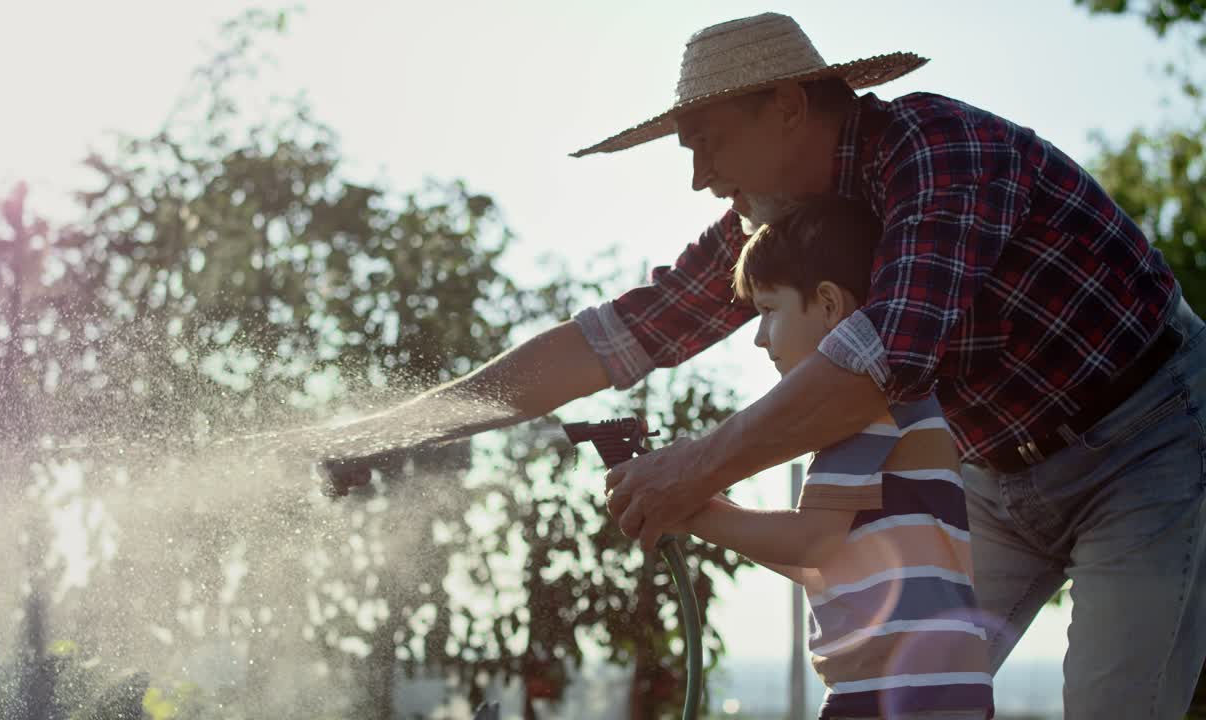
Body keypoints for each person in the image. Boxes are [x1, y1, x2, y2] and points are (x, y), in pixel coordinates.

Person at [320, 13, 1206, 717]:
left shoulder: (943, 155)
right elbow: (618, 337)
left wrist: (691, 473)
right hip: (993, 476)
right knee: (890, 694)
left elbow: (884, 358)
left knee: (1112, 703)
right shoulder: (781, 229)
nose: (701, 178)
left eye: (707, 142)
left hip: (1149, 442)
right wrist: (389, 430)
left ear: (786, 106)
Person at [678, 195, 992, 719]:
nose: (758, 338)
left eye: (768, 311)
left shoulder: (864, 406)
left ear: (827, 305)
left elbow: (812, 540)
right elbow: (827, 561)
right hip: (929, 687)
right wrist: (709, 513)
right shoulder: (899, 400)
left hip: (894, 690)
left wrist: (692, 507)